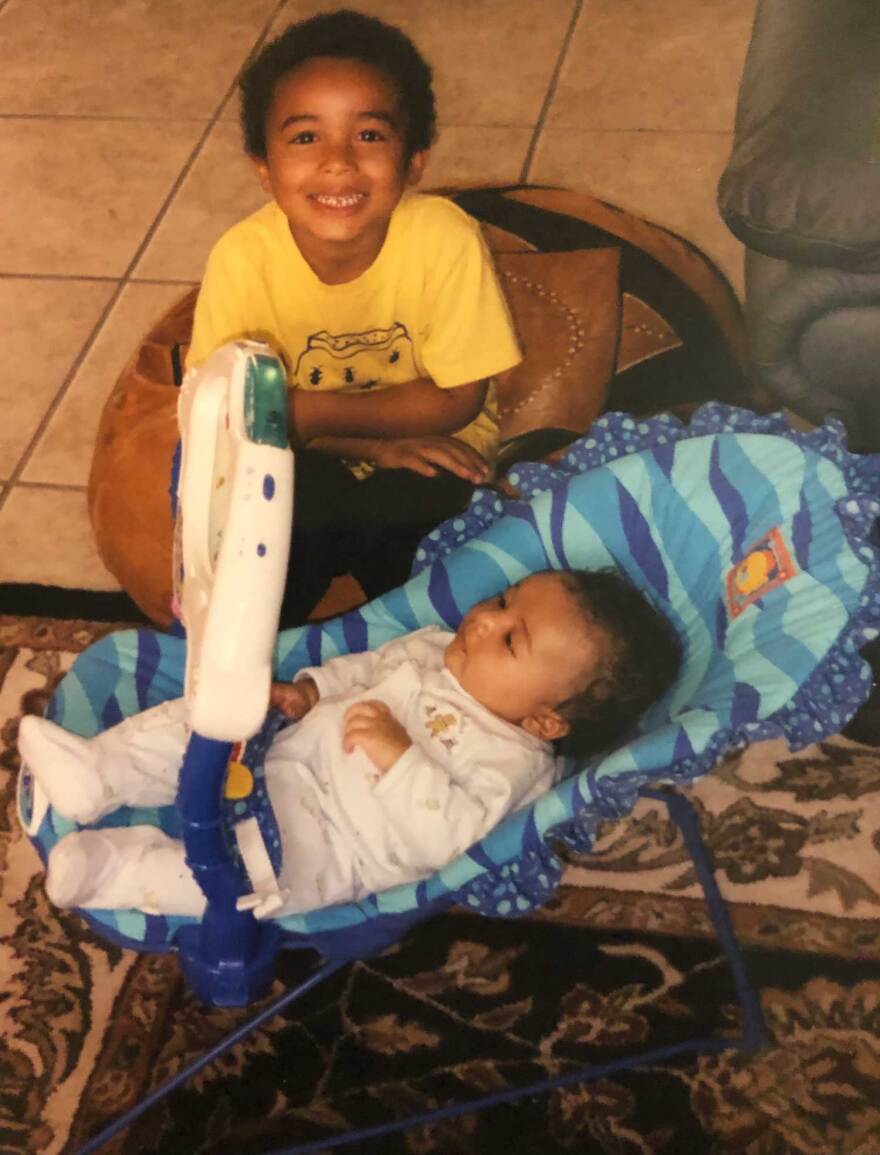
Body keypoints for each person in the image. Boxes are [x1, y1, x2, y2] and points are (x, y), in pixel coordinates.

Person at [18, 570, 681, 919]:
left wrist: (401, 755)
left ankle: (114, 868)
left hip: (332, 845)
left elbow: (449, 839)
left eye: (511, 639)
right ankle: (99, 773)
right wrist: (309, 691)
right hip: (287, 750)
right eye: (504, 600)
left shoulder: (514, 762)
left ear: (544, 720)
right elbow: (362, 669)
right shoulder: (431, 646)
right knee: (208, 713)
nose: (483, 619)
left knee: (235, 883)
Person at [186, 9, 522, 626]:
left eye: (369, 135)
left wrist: (305, 413)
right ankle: (251, 668)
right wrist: (352, 441)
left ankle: (411, 651)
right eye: (305, 137)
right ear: (263, 166)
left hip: (435, 450)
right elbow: (233, 414)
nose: (338, 162)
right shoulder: (241, 258)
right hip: (306, 452)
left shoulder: (445, 237)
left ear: (415, 160)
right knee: (268, 513)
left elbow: (457, 398)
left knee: (430, 536)